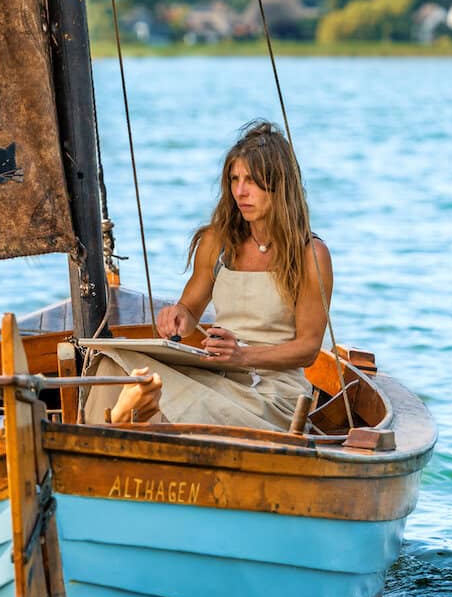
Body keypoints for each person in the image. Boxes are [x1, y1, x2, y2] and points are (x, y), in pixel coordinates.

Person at [82, 120, 332, 432]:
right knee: (110, 362)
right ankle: (102, 451)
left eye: (252, 181)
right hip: (218, 376)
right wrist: (177, 317)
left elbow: (308, 348)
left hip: (272, 396)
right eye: (234, 179)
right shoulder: (217, 241)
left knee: (162, 401)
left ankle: (118, 438)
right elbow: (189, 310)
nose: (240, 191)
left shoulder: (311, 254)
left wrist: (242, 356)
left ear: (279, 184)